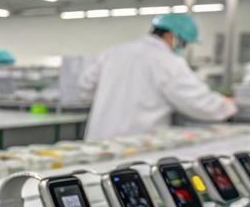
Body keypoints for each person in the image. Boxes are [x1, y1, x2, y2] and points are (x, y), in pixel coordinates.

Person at [79, 13, 237, 142]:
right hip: (137, 142)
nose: (183, 47)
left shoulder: (113, 52)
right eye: (183, 42)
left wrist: (110, 101)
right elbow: (197, 101)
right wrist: (227, 106)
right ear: (170, 36)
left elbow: (85, 87)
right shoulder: (168, 61)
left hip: (98, 140)